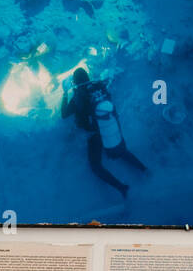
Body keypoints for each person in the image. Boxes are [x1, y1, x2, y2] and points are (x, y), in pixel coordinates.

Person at [61, 67, 148, 199]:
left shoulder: (78, 97)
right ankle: (144, 170)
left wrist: (65, 94)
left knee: (95, 166)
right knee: (122, 151)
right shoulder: (99, 87)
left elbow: (64, 114)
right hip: (111, 125)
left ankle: (122, 188)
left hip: (95, 135)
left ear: (75, 81)